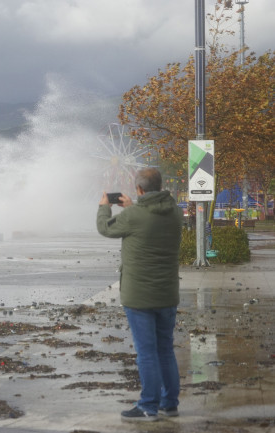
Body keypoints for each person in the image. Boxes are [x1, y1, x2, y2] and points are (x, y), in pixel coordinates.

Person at [96, 168, 183, 422]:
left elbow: (105, 228)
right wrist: (133, 206)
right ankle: (170, 403)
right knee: (165, 349)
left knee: (147, 353)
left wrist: (105, 207)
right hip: (167, 294)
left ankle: (148, 406)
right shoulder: (175, 212)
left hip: (139, 297)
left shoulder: (134, 215)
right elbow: (150, 216)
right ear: (160, 185)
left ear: (139, 189)